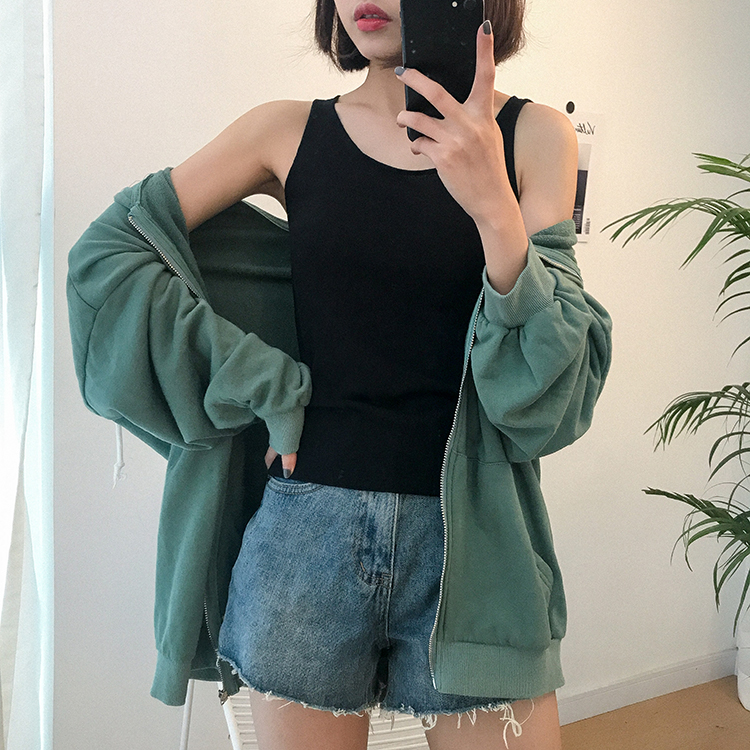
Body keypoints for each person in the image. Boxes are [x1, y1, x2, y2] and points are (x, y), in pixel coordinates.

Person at [67, 0, 611, 748]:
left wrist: (494, 206)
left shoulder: (535, 134)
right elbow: (111, 255)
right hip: (305, 541)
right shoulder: (284, 131)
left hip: (479, 552)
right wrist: (261, 381)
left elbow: (552, 397)